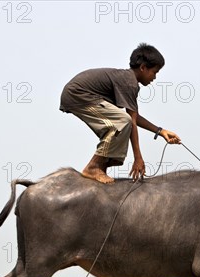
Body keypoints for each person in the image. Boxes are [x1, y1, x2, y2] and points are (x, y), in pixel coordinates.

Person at [59, 43, 181, 183]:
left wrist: (161, 131)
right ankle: (94, 167)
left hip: (83, 96)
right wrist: (138, 158)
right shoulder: (129, 83)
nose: (154, 77)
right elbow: (131, 121)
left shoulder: (128, 80)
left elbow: (134, 117)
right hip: (78, 95)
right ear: (143, 68)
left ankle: (101, 167)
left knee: (122, 121)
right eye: (154, 72)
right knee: (122, 122)